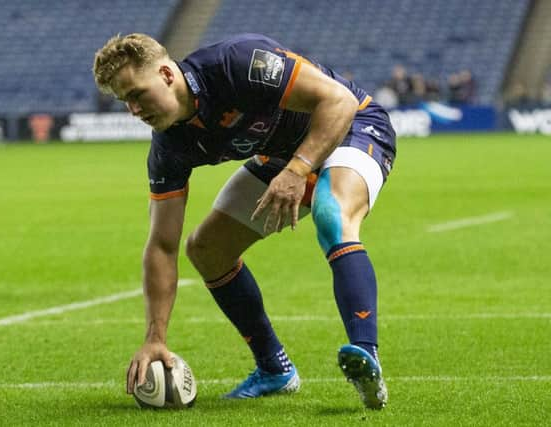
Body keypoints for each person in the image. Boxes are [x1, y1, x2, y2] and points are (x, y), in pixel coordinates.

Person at [93, 33, 396, 410]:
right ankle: (275, 369)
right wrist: (156, 337)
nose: (134, 111)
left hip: (352, 125)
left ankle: (366, 360)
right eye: (125, 102)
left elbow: (339, 100)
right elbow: (162, 245)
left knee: (331, 214)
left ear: (167, 74)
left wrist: (299, 169)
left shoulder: (236, 63)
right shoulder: (169, 147)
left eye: (137, 94)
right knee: (206, 250)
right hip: (284, 157)